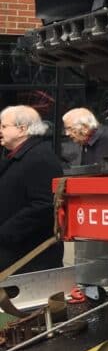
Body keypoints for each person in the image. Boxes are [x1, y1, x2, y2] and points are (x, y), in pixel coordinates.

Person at [0, 105, 64, 273]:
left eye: (4, 126)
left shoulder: (40, 157)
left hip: (29, 257)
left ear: (22, 129)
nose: (0, 131)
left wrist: (5, 233)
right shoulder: (20, 155)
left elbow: (44, 204)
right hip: (15, 253)